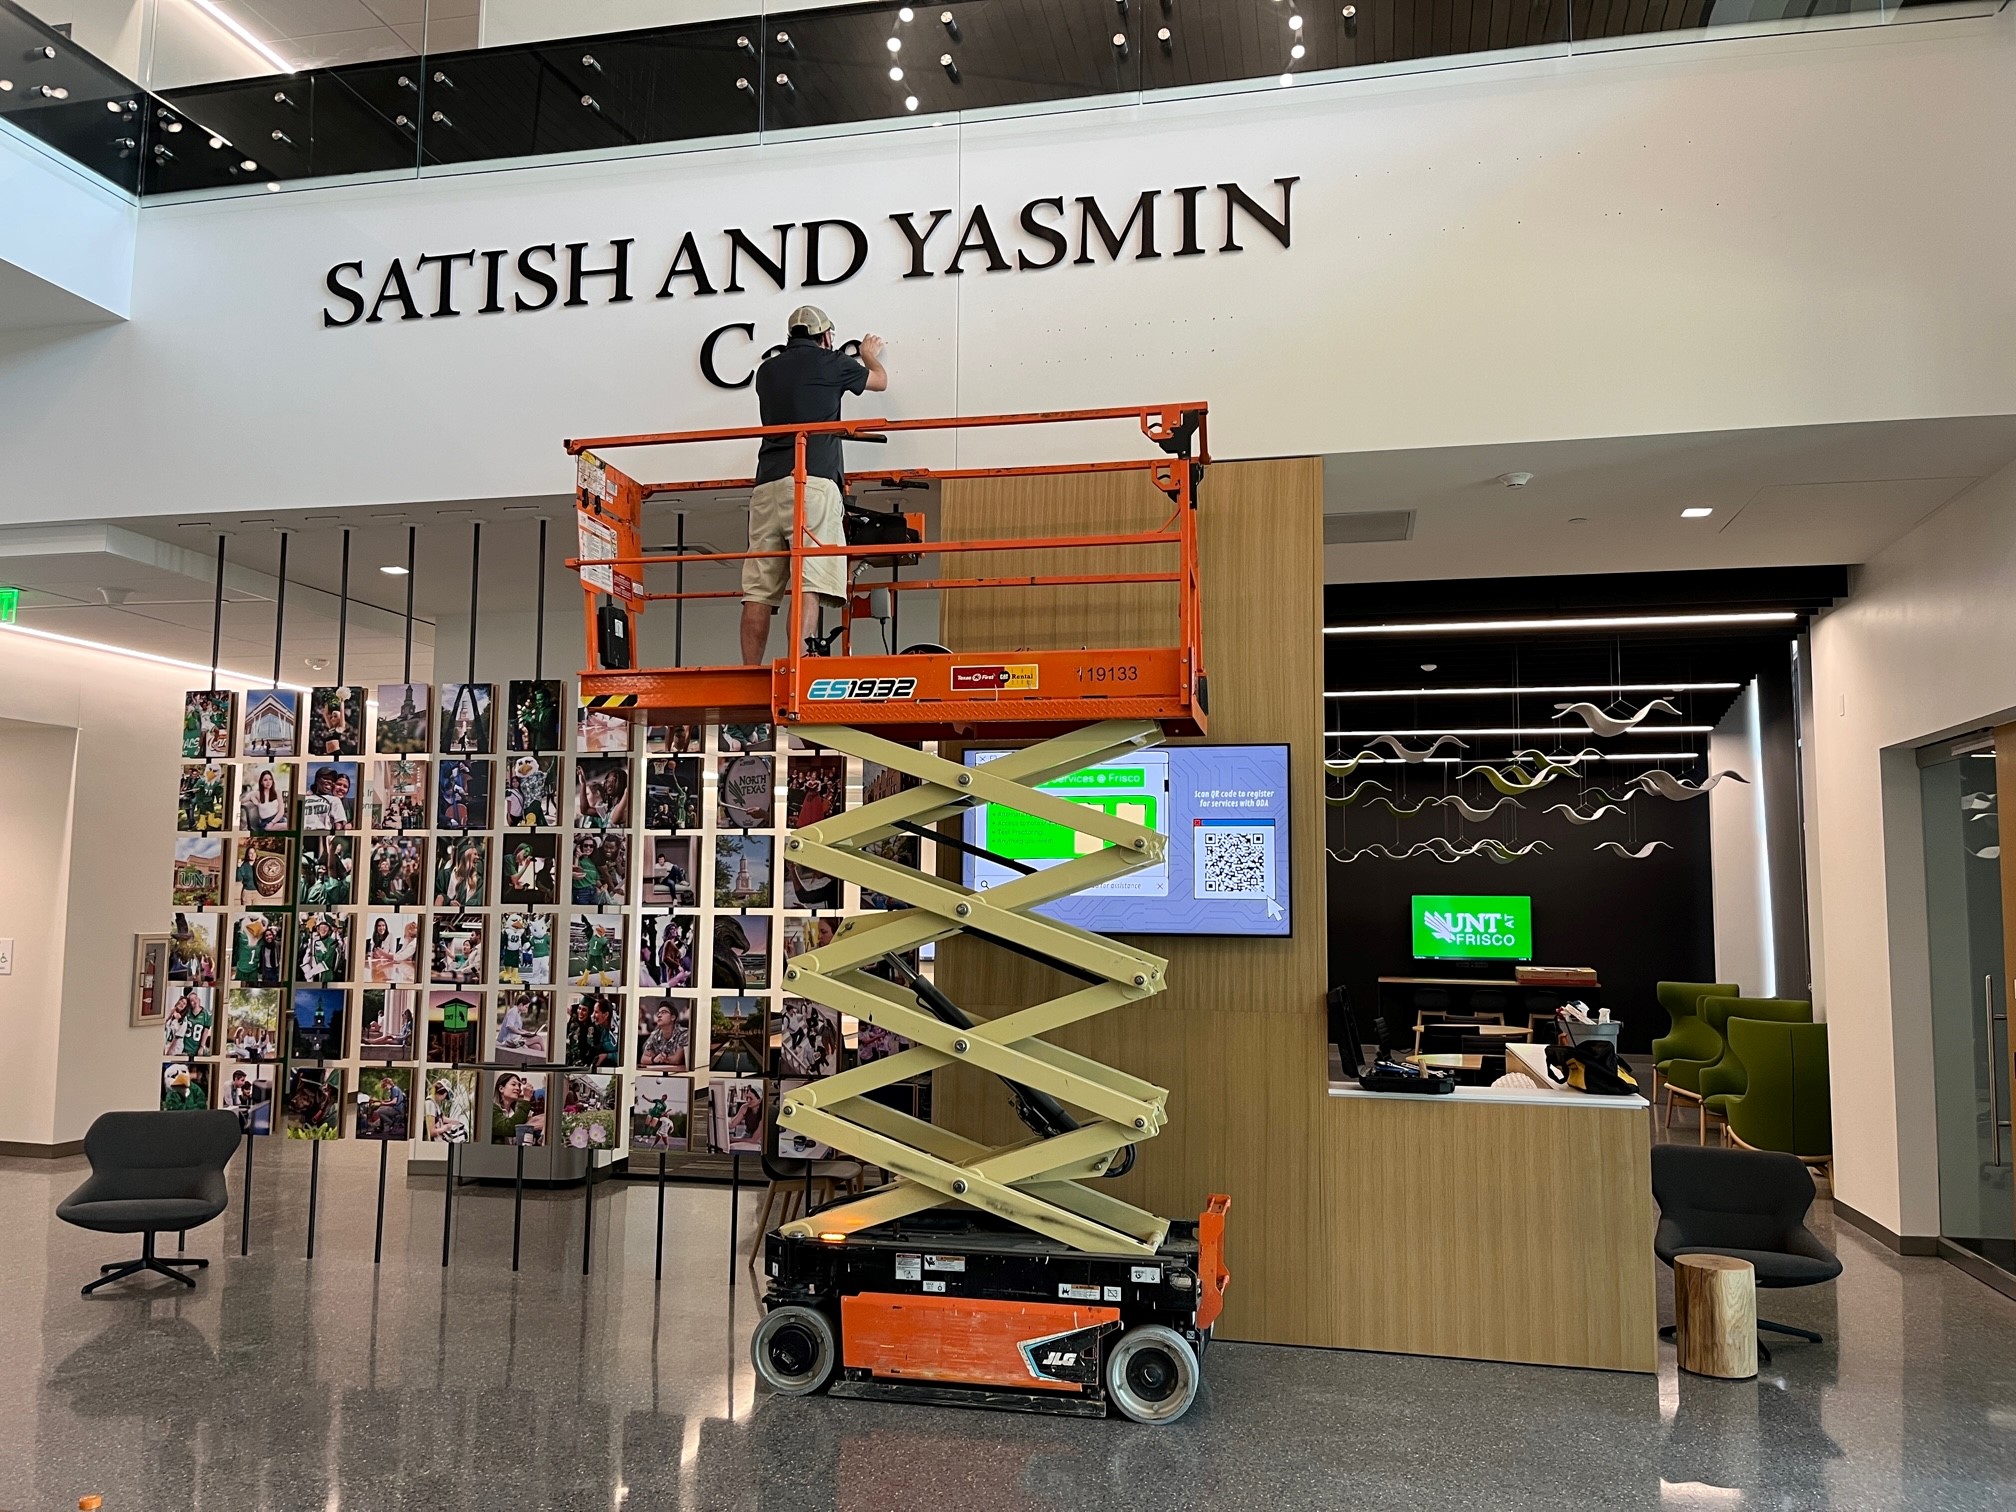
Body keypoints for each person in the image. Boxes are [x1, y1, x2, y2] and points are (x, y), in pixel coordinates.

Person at [740, 306, 888, 664]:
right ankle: (798, 668)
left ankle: (747, 670)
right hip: (811, 483)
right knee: (809, 580)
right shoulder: (831, 362)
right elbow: (879, 381)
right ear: (824, 337)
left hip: (767, 485)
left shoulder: (767, 371)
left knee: (758, 589)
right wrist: (869, 356)